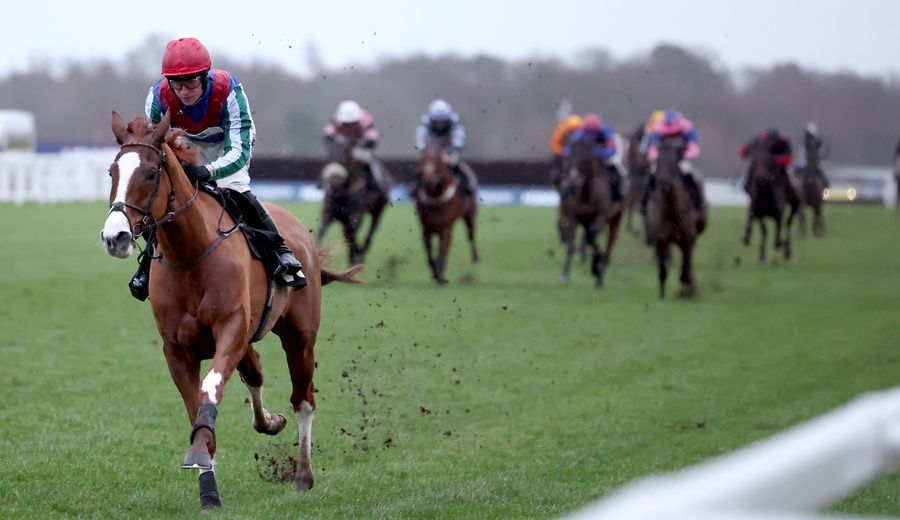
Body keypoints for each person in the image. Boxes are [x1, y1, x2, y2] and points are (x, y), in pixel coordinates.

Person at [130, 37, 305, 301]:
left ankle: (280, 252)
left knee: (234, 188)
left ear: (204, 76)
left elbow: (239, 151)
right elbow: (159, 149)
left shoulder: (229, 90)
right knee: (166, 199)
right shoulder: (157, 99)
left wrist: (209, 172)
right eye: (177, 84)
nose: (184, 91)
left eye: (191, 82)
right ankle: (146, 266)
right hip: (184, 143)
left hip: (227, 143)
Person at [641, 109, 706, 211]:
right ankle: (644, 203)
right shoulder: (658, 129)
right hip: (662, 161)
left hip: (681, 160)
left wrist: (686, 156)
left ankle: (698, 201)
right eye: (668, 123)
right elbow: (652, 147)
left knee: (687, 172)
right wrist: (655, 157)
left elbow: (694, 145)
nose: (670, 125)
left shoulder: (687, 128)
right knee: (652, 174)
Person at [414, 99, 477, 194]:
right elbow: (421, 137)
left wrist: (451, 152)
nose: (440, 124)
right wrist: (423, 148)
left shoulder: (454, 122)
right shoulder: (426, 123)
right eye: (437, 121)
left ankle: (469, 186)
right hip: (432, 151)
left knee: (456, 166)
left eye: (442, 121)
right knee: (424, 168)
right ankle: (413, 187)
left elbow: (458, 139)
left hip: (450, 150)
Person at [322, 100, 386, 190]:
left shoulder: (365, 119)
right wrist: (337, 141)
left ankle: (374, 182)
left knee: (367, 159)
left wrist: (363, 142)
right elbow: (328, 134)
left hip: (359, 146)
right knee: (332, 160)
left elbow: (372, 137)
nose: (349, 124)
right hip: (342, 147)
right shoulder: (336, 118)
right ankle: (322, 183)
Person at [561, 113, 625, 201]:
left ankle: (619, 194)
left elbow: (612, 151)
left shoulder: (606, 131)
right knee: (572, 172)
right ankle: (566, 196)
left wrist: (595, 153)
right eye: (588, 133)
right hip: (589, 157)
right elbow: (568, 150)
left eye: (593, 133)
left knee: (617, 169)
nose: (591, 136)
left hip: (605, 156)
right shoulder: (580, 133)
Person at [739, 128, 799, 205]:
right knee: (752, 173)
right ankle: (748, 188)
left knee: (790, 181)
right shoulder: (760, 139)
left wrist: (777, 160)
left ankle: (793, 198)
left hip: (779, 168)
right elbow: (745, 151)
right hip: (766, 165)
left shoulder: (783, 141)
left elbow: (788, 157)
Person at [549, 114, 583, 187]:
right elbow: (554, 146)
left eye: (576, 131)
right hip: (563, 155)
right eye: (572, 131)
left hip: (577, 154)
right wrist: (563, 151)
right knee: (557, 171)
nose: (574, 133)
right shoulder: (561, 130)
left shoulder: (582, 131)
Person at [801, 122, 830, 187]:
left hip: (814, 165)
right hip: (808, 166)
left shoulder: (817, 142)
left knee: (825, 181)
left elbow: (821, 152)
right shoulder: (806, 143)